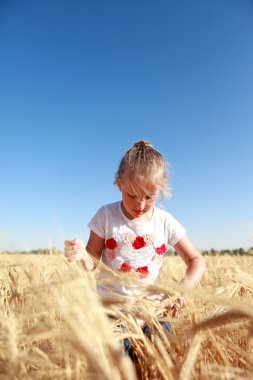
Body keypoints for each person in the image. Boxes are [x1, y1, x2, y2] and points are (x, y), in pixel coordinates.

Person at [64, 140, 206, 333]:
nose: (140, 205)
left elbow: (196, 260)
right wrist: (82, 255)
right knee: (116, 363)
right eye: (132, 195)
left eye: (149, 197)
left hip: (153, 313)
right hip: (112, 314)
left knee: (162, 359)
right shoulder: (105, 215)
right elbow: (91, 263)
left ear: (161, 190)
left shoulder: (165, 221)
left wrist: (181, 290)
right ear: (118, 184)